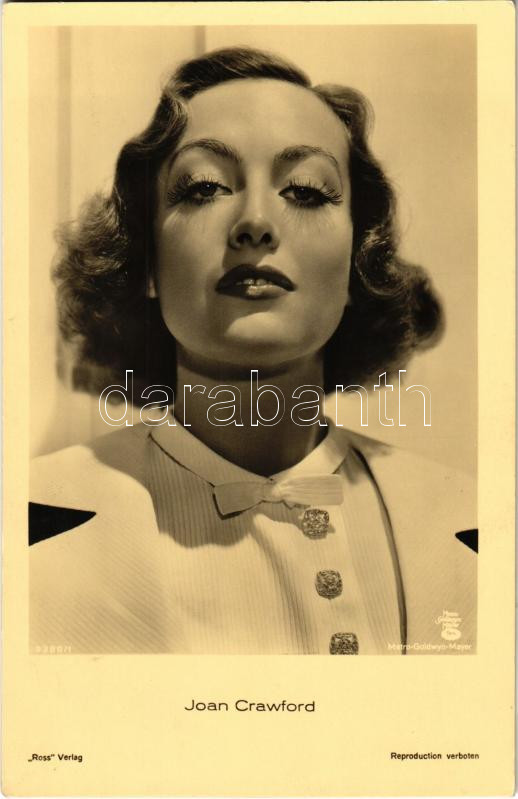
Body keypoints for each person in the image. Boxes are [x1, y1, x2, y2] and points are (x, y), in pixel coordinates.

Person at [29, 46, 476, 655]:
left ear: (357, 262)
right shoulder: (26, 525)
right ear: (147, 263)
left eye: (307, 192)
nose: (255, 222)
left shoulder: (474, 522)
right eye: (205, 187)